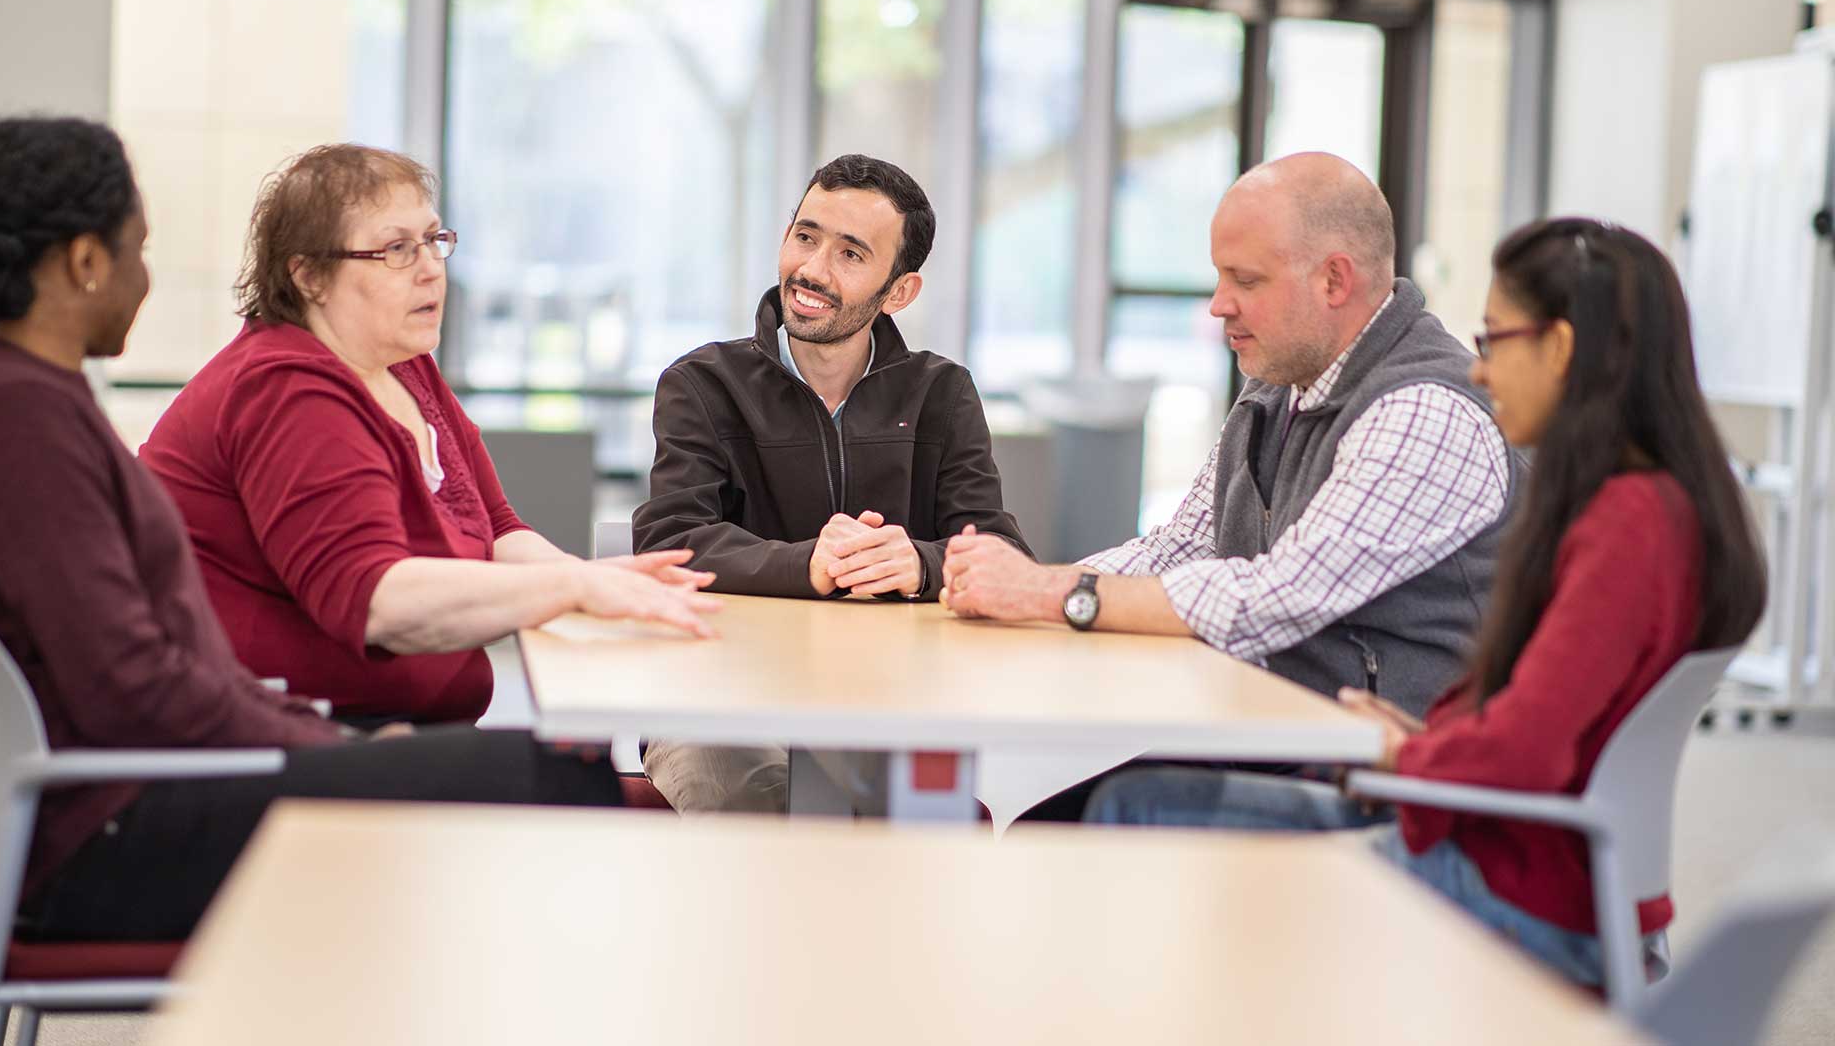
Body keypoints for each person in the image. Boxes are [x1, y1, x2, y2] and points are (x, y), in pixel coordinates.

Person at [0, 117, 629, 941]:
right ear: (84, 262)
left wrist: (331, 742)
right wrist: (330, 745)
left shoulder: (27, 396)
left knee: (539, 776)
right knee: (555, 781)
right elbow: (132, 684)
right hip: (116, 829)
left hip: (151, 788)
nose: (146, 280)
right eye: (139, 252)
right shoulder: (20, 418)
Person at [1083, 217, 1766, 990]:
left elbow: (1523, 754)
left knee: (1132, 808)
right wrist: (1426, 739)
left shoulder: (1625, 526)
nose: (1480, 372)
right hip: (1541, 866)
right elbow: (1546, 722)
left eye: (1496, 341)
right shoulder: (1660, 507)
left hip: (1524, 890)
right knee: (1136, 794)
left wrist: (1405, 754)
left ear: (1562, 349)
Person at [940, 152, 1518, 819]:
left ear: (1334, 279)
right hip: (1287, 740)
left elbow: (1274, 597)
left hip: (1401, 791)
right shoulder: (1279, 386)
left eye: (1245, 279)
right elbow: (1184, 547)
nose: (1219, 305)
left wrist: (1054, 595)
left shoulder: (1425, 411)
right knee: (1053, 822)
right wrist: (1016, 592)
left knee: (1095, 824)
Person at [139, 144, 718, 725]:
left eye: (434, 241)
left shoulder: (401, 362)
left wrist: (588, 579)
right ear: (309, 275)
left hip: (384, 727)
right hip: (294, 737)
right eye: (396, 249)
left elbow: (496, 531)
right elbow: (376, 602)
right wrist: (572, 589)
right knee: (586, 789)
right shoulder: (287, 388)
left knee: (589, 782)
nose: (430, 268)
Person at [633, 153, 1030, 813]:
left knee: (923, 838)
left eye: (851, 254)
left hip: (889, 701)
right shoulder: (703, 384)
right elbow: (670, 542)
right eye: (806, 236)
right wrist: (808, 564)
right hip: (717, 698)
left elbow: (999, 550)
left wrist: (917, 563)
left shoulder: (941, 393)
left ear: (899, 291)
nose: (812, 269)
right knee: (759, 810)